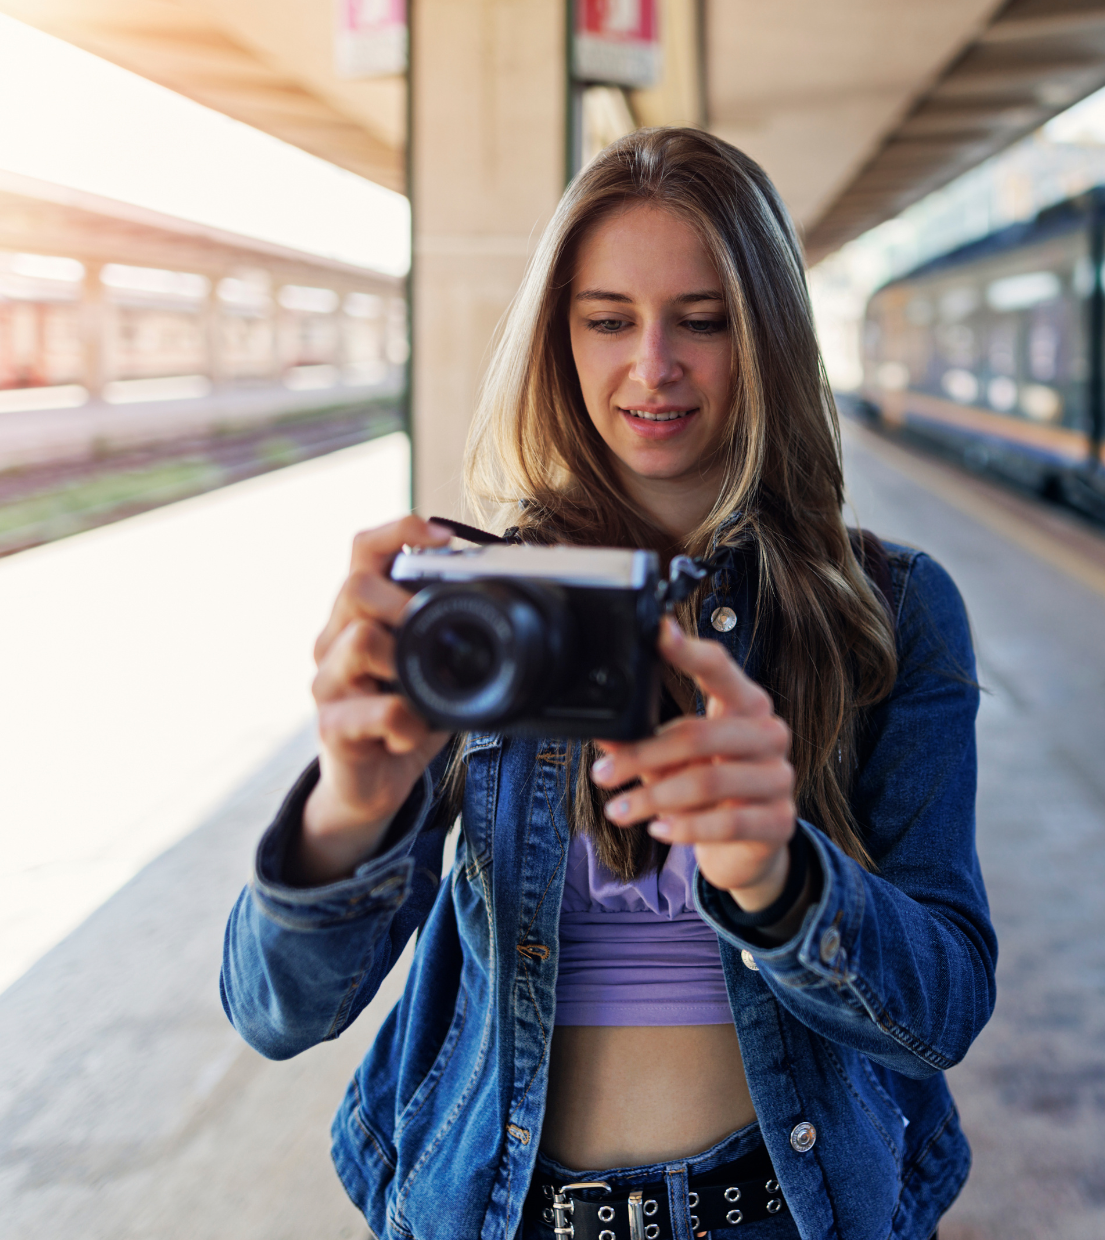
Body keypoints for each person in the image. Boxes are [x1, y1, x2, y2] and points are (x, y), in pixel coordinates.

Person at [220, 127, 994, 1240]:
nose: (653, 365)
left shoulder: (890, 608)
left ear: (768, 335)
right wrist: (347, 809)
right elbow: (276, 1012)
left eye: (703, 320)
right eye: (608, 320)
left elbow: (943, 1011)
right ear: (559, 339)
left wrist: (781, 878)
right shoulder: (481, 607)